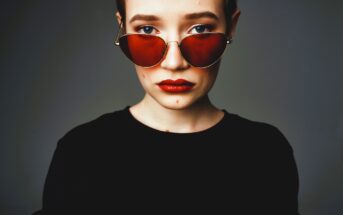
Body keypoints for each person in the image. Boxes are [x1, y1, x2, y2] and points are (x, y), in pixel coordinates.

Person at [33, 0, 300, 214]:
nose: (174, 62)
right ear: (122, 26)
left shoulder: (266, 151)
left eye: (200, 29)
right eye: (147, 30)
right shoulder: (81, 151)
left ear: (231, 26)